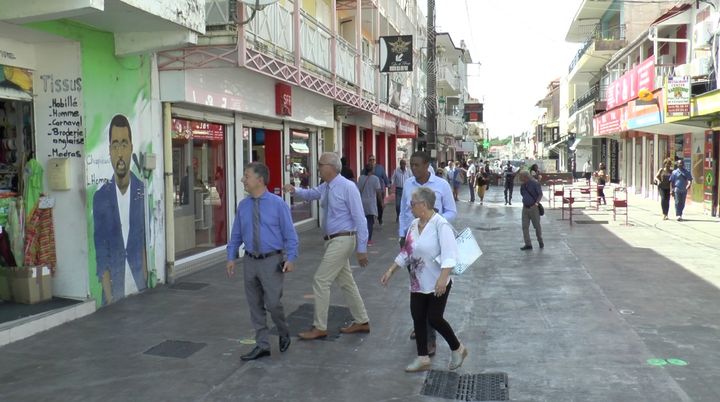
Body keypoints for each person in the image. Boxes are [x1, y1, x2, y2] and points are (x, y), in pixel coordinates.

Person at [283, 152, 371, 340]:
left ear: (331, 167)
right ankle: (362, 320)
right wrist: (294, 190)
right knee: (347, 283)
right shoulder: (326, 186)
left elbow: (360, 219)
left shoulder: (347, 187)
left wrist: (362, 249)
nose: (318, 168)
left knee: (321, 280)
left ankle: (319, 326)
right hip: (332, 240)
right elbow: (311, 193)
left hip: (343, 239)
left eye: (320, 164)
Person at [381, 187, 468, 372]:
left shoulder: (440, 225)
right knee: (418, 318)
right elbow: (407, 252)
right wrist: (391, 270)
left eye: (413, 204)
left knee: (434, 318)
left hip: (438, 281)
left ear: (424, 205)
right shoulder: (414, 224)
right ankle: (422, 358)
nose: (410, 207)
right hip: (418, 282)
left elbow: (450, 255)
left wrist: (443, 279)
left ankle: (458, 348)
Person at [226, 162, 299, 361]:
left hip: (272, 261)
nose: (243, 180)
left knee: (273, 303)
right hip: (250, 261)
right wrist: (231, 256)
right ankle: (262, 345)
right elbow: (236, 235)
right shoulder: (243, 206)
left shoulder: (278, 204)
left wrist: (291, 258)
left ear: (259, 180)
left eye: (246, 176)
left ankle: (283, 331)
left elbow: (290, 235)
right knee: (255, 305)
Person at [398, 151, 457, 355]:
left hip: (434, 247)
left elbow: (452, 211)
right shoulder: (408, 185)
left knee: (431, 292)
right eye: (411, 165)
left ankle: (430, 338)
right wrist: (402, 235)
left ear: (426, 165)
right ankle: (421, 327)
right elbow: (404, 213)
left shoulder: (441, 185)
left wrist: (436, 220)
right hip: (413, 244)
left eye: (416, 165)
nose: (413, 168)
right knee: (417, 290)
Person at [93, 114, 146, 305]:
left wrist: (146, 285)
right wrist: (109, 299)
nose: (120, 153)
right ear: (109, 151)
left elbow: (144, 242)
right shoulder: (101, 198)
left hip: (140, 287)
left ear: (131, 147)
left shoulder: (142, 190)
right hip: (114, 293)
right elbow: (101, 252)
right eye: (115, 145)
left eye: (124, 144)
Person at [519, 171, 544, 251]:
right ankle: (528, 244)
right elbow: (522, 194)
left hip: (534, 208)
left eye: (521, 176)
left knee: (536, 226)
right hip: (525, 207)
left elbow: (540, 194)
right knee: (524, 226)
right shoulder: (523, 185)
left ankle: (540, 240)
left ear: (525, 177)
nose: (520, 178)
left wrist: (536, 203)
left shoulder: (535, 184)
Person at [357, 166, 382, 245]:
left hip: (362, 202)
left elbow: (358, 190)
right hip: (371, 202)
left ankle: (362, 238)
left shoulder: (361, 178)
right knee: (370, 222)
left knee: (363, 222)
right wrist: (381, 202)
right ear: (372, 170)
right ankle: (369, 240)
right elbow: (378, 192)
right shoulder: (375, 179)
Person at [367, 155, 390, 226]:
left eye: (373, 160)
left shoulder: (380, 168)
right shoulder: (366, 169)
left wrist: (388, 185)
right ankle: (372, 219)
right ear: (368, 161)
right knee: (372, 205)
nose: (372, 161)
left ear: (375, 161)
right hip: (370, 191)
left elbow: (384, 177)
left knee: (380, 205)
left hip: (380, 190)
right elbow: (362, 177)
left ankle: (380, 218)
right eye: (370, 160)